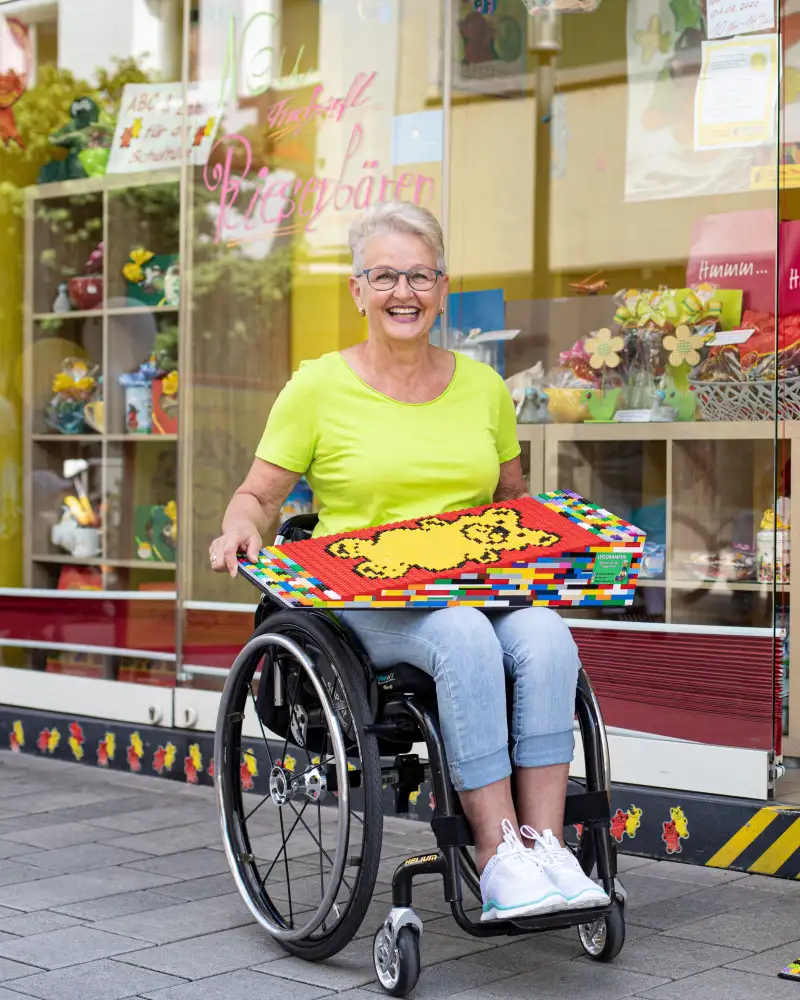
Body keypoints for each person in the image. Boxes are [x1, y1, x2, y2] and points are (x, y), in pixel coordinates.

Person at [210, 200, 607, 920]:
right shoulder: (317, 387)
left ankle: (545, 846)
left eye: (420, 276)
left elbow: (511, 504)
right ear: (358, 290)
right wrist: (239, 529)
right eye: (385, 276)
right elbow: (257, 496)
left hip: (479, 585)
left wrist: (566, 548)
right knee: (460, 633)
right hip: (370, 604)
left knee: (546, 635)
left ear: (443, 287)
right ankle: (495, 856)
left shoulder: (484, 389)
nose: (404, 293)